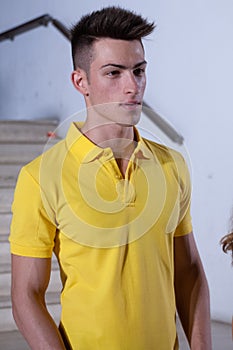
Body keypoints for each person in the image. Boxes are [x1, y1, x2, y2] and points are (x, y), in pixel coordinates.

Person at [9, 6, 212, 349]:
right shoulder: (39, 177)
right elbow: (26, 296)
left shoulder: (172, 165)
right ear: (81, 82)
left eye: (139, 70)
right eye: (114, 73)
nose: (133, 86)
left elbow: (189, 271)